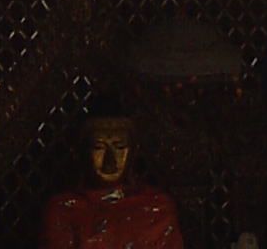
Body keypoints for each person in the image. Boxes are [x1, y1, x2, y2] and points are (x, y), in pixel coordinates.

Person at [40, 104, 185, 249]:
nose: (110, 161)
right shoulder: (65, 209)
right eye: (99, 147)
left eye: (120, 147)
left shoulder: (157, 207)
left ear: (134, 151)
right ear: (81, 152)